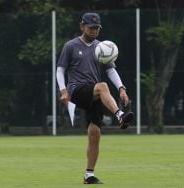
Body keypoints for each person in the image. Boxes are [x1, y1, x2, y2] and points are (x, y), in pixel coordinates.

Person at [56, 12, 134, 184]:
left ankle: (89, 175)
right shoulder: (71, 46)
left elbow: (110, 70)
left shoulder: (102, 47)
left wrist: (121, 88)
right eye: (91, 27)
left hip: (94, 93)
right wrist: (63, 90)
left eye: (97, 28)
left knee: (95, 133)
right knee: (103, 86)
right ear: (82, 26)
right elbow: (60, 70)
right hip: (76, 90)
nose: (94, 31)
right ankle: (120, 115)